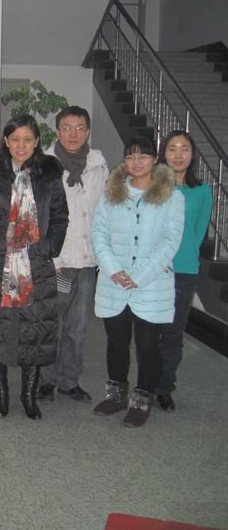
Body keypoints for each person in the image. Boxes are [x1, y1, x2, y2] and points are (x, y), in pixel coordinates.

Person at [0, 114, 68, 420]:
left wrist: (47, 248)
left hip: (37, 264)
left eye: (28, 139)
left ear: (37, 141)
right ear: (5, 141)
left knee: (34, 329)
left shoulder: (50, 176)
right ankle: (1, 396)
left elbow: (60, 217)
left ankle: (29, 396)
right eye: (15, 139)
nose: (21, 145)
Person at [92, 135, 184, 428]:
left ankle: (142, 401)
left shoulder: (172, 196)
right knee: (116, 342)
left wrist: (138, 276)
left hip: (151, 284)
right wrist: (113, 269)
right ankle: (116, 396)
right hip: (114, 281)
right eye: (131, 157)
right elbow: (99, 234)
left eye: (143, 156)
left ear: (155, 159)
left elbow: (170, 241)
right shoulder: (112, 191)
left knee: (147, 346)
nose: (137, 162)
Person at [36, 106, 109, 404]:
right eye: (66, 128)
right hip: (58, 262)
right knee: (52, 324)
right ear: (57, 131)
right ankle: (45, 381)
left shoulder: (98, 165)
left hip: (87, 261)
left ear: (88, 131)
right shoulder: (44, 165)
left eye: (79, 128)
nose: (73, 134)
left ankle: (69, 381)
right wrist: (51, 257)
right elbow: (39, 216)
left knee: (78, 327)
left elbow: (104, 212)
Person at [155, 131, 211, 412]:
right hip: (153, 269)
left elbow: (198, 232)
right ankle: (146, 383)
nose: (178, 155)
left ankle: (164, 388)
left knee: (173, 333)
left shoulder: (202, 191)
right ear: (163, 154)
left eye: (184, 149)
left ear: (192, 155)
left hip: (184, 270)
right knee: (149, 333)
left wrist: (184, 256)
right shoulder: (152, 186)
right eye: (172, 148)